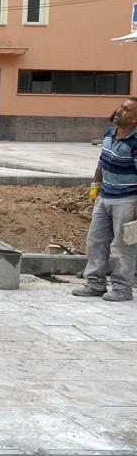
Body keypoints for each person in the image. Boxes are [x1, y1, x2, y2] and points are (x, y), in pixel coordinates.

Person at [73, 97, 137, 302]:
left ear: (135, 119)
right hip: (105, 197)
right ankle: (95, 283)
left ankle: (122, 288)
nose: (119, 110)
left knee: (124, 246)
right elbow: (102, 162)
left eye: (126, 109)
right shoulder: (110, 134)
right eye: (121, 106)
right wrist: (96, 185)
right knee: (96, 241)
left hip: (128, 201)